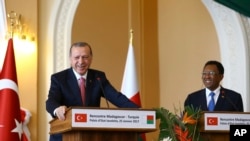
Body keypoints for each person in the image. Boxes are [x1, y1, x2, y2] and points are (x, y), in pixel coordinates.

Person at [45, 42, 139, 141]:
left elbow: (117, 97)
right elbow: (50, 101)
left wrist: (139, 112)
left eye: (85, 57)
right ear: (70, 59)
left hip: (92, 136)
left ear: (91, 58)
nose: (81, 62)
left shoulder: (98, 77)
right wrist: (57, 109)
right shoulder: (59, 78)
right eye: (77, 57)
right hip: (64, 136)